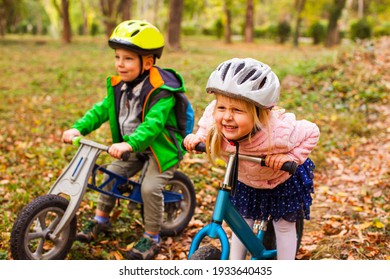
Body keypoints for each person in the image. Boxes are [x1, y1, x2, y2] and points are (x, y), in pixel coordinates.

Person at [62, 20, 187, 260]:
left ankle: (152, 236)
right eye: (117, 57)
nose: (120, 64)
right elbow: (100, 111)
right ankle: (100, 220)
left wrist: (129, 143)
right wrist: (78, 128)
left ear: (147, 62)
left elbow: (153, 125)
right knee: (110, 174)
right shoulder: (120, 86)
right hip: (132, 148)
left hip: (161, 150)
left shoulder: (162, 92)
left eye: (128, 58)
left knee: (150, 188)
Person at [184, 58, 320, 260]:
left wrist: (290, 157)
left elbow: (312, 132)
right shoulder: (215, 118)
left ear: (259, 113)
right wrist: (199, 137)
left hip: (280, 179)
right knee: (241, 221)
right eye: (222, 108)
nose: (227, 117)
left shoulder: (279, 133)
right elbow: (208, 124)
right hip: (247, 178)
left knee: (283, 225)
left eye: (237, 110)